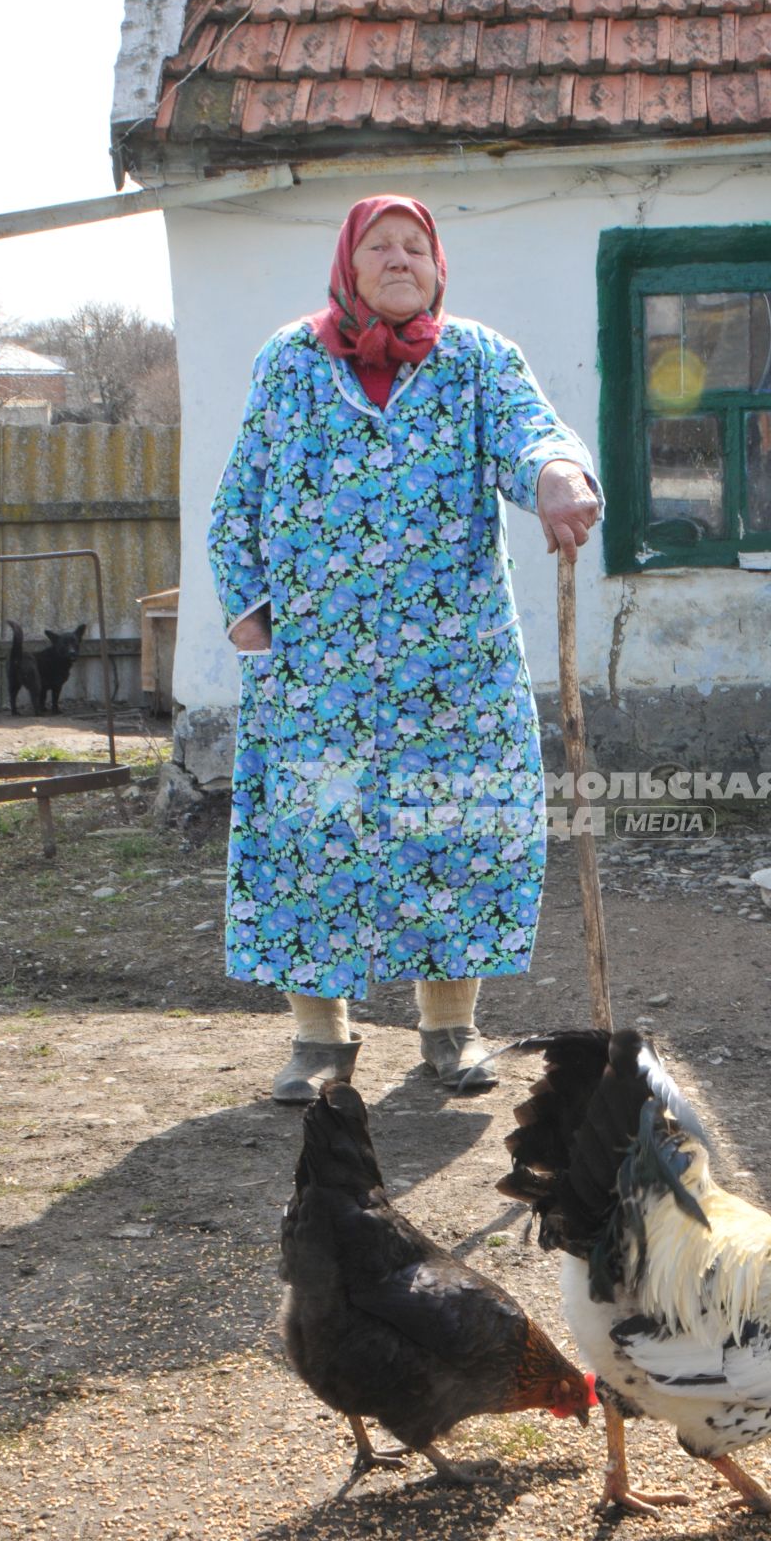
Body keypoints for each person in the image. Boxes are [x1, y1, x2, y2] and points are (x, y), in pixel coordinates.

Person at [208, 195, 600, 1101]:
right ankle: (318, 1041)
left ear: (437, 264)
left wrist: (556, 476)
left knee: (454, 836)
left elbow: (529, 433)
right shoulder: (290, 360)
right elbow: (241, 497)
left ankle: (449, 1031)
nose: (397, 259)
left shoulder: (476, 360)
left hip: (452, 669)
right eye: (377, 246)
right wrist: (251, 614)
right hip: (318, 670)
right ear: (348, 265)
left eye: (414, 246)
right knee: (312, 838)